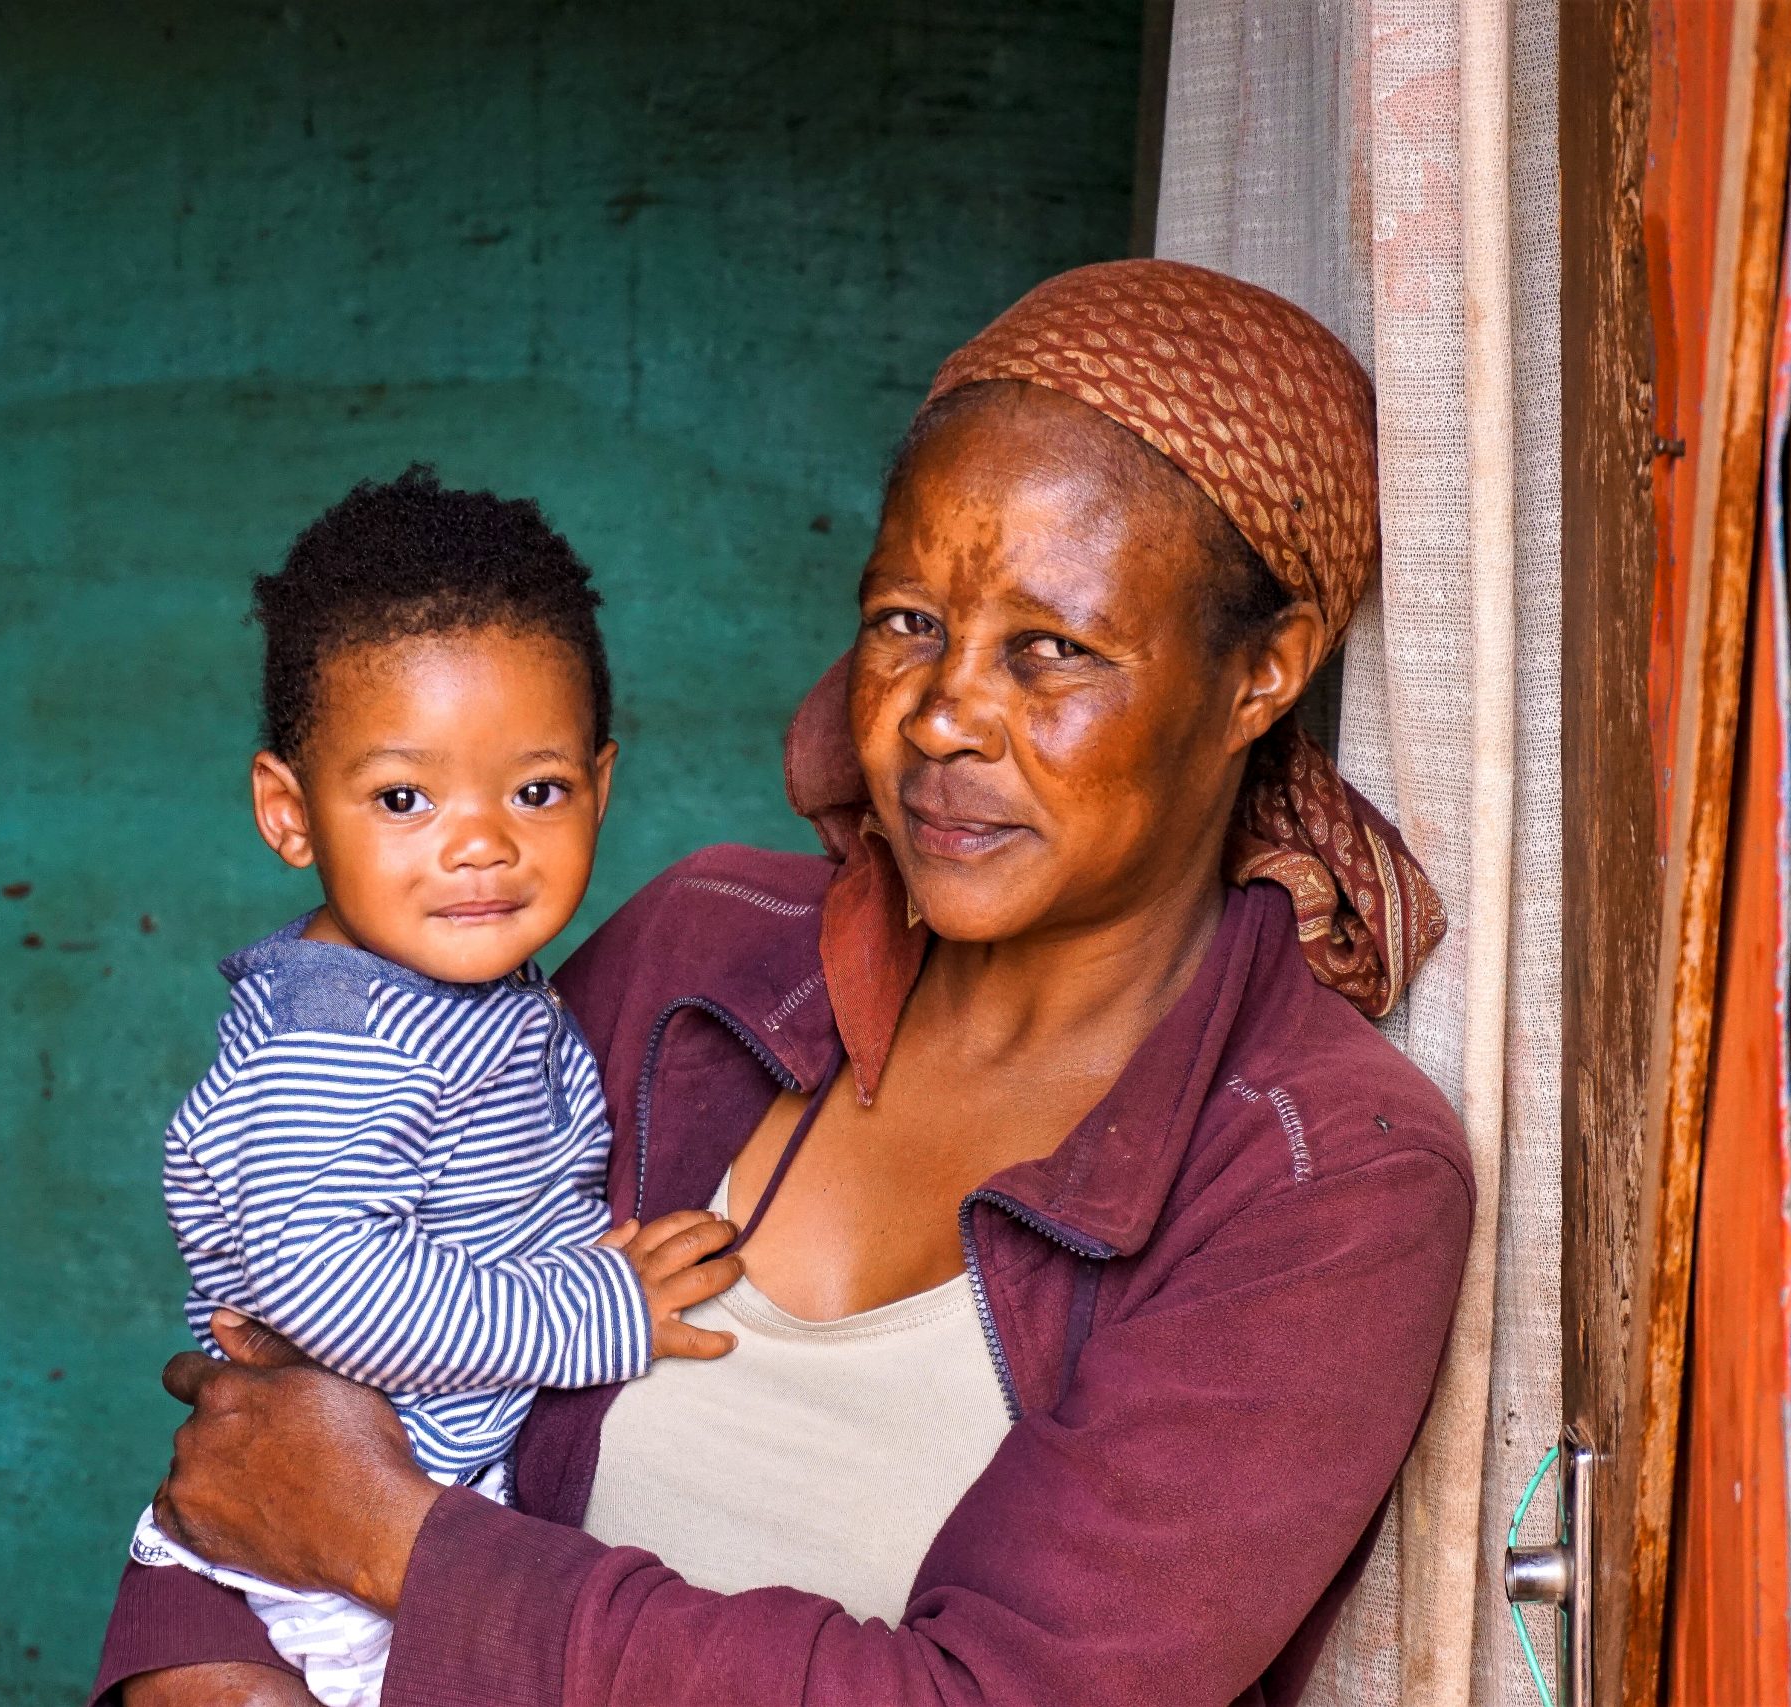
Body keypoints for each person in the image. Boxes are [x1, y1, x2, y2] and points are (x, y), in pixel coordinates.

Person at [94, 261, 1474, 1707]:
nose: (942, 713)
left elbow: (996, 1695)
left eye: (1049, 647)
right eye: (906, 620)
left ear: (1266, 672)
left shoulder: (1323, 1178)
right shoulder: (707, 955)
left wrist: (404, 1547)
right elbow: (296, 1417)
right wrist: (208, 1664)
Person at [123, 468, 743, 1705]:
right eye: (404, 798)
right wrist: (595, 1312)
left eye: (537, 789)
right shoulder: (338, 1046)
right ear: (290, 814)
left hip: (416, 1528)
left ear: (602, 788)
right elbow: (327, 1287)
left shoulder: (463, 991)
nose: (480, 843)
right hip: (323, 1576)